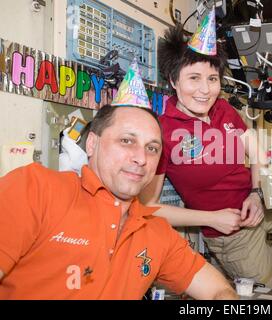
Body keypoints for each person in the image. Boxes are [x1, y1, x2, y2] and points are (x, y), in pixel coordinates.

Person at [0, 60, 237, 300]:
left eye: (152, 148)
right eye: (126, 141)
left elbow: (219, 290)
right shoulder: (36, 189)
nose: (141, 158)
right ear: (92, 144)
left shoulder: (156, 232)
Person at [139, 20, 272, 288]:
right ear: (173, 80)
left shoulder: (225, 110)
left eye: (212, 79)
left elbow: (257, 153)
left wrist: (257, 192)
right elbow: (147, 208)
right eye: (194, 78)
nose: (205, 90)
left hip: (267, 204)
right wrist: (212, 218)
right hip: (228, 231)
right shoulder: (161, 131)